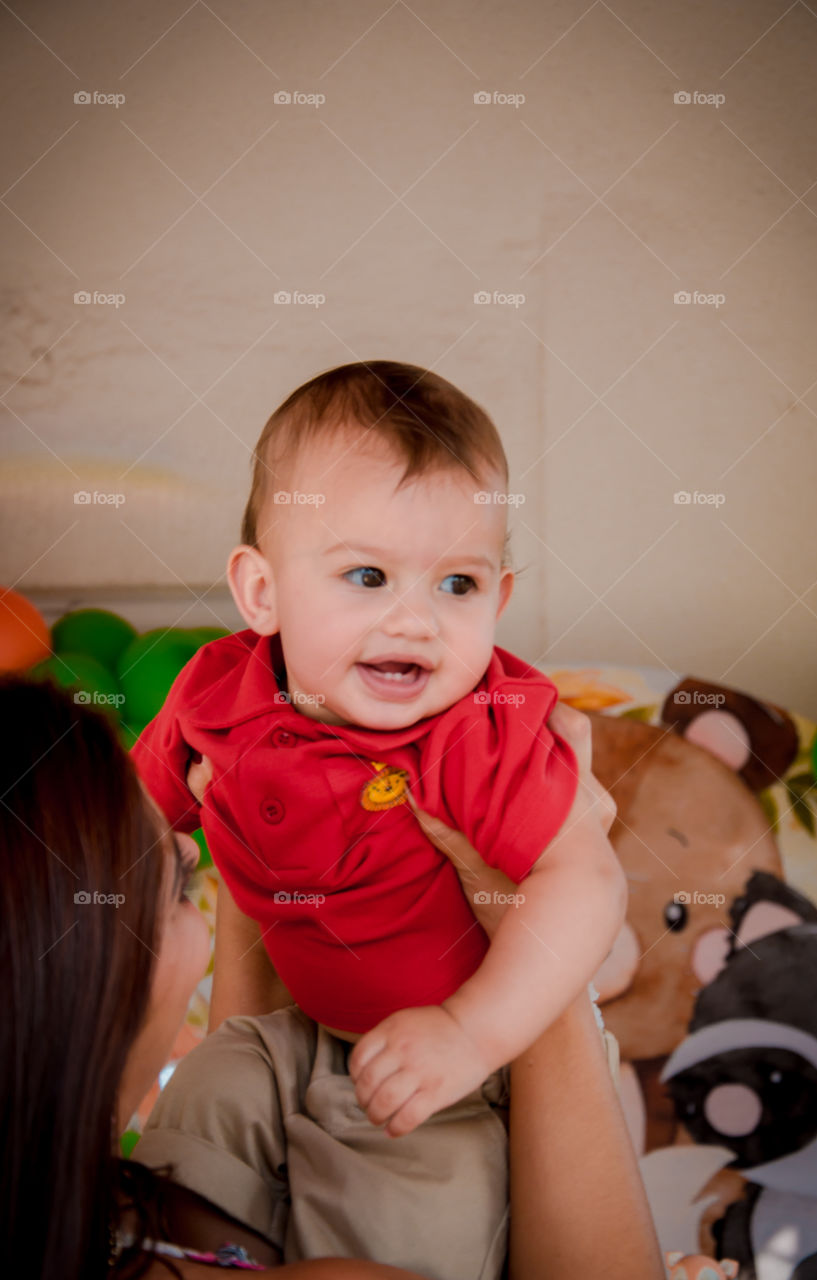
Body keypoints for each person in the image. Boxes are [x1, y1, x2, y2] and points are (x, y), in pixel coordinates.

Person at [130, 360, 628, 1170]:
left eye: (456, 584)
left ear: (499, 602)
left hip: (463, 1074)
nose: (415, 621)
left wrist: (471, 1032)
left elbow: (588, 881)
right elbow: (125, 823)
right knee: (189, 1132)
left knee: (402, 1220)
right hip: (288, 1035)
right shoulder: (218, 692)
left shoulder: (480, 730)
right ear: (262, 593)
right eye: (367, 576)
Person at [0, 674, 663, 1278]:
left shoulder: (107, 1213)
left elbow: (252, 1049)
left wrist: (257, 839)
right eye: (173, 881)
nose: (182, 841)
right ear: (73, 982)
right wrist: (541, 930)